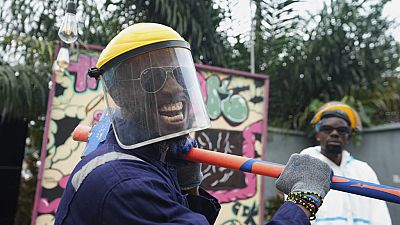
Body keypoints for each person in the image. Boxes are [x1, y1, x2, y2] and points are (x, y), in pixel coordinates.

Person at [54, 23, 332, 225]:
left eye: (179, 74)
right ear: (119, 94)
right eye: (152, 79)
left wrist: (188, 188)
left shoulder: (137, 154)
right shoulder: (125, 184)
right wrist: (302, 203)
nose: (175, 89)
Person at [300, 101, 392, 225]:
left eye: (342, 130)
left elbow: (380, 214)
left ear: (349, 136)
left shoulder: (364, 170)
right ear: (317, 135)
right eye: (327, 129)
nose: (334, 133)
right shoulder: (304, 165)